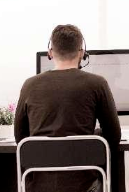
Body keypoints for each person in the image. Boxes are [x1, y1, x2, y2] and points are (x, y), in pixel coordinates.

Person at [14, 24, 121, 192]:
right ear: (82, 52)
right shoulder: (97, 83)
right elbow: (114, 136)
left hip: (39, 186)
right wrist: (92, 136)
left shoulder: (29, 85)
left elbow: (20, 137)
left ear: (50, 52)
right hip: (84, 186)